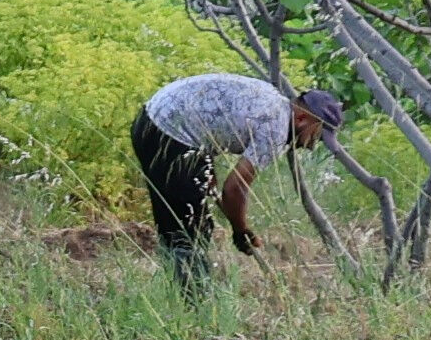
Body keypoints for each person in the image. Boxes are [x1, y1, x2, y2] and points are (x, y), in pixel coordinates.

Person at [129, 71, 343, 290]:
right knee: (189, 232)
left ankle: (180, 296)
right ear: (301, 119)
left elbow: (210, 122)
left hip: (153, 120)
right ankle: (195, 305)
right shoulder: (276, 128)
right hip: (169, 133)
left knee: (177, 223)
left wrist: (207, 177)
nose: (311, 145)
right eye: (316, 135)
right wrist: (241, 232)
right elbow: (235, 188)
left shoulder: (273, 102)